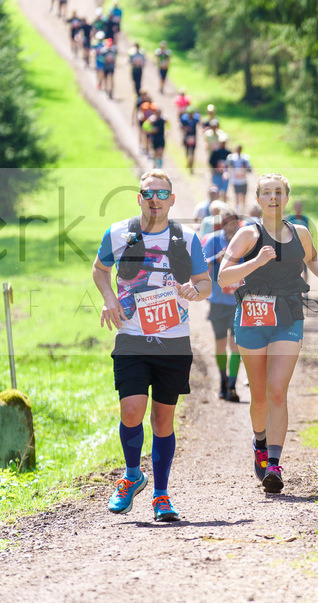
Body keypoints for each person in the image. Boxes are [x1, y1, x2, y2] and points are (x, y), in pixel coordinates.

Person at [92, 169, 210, 522]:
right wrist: (108, 297)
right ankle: (131, 475)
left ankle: (161, 495)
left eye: (162, 194)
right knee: (131, 410)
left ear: (172, 200)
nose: (154, 200)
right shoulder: (118, 233)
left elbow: (205, 284)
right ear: (139, 198)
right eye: (148, 193)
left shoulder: (187, 239)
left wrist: (195, 290)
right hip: (130, 335)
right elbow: (99, 269)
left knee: (162, 419)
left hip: (172, 341)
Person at [217, 174, 318, 494]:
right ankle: (259, 442)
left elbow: (312, 257)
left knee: (277, 390)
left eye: (278, 192)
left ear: (286, 197)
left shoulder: (301, 232)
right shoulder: (247, 234)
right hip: (252, 318)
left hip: (288, 317)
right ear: (258, 199)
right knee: (259, 395)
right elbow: (223, 275)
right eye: (266, 193)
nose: (273, 198)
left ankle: (274, 463)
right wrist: (255, 261)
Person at [203, 207, 244, 401]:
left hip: (238, 302)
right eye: (227, 222)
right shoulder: (213, 240)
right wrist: (215, 258)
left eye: (234, 222)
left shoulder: (246, 240)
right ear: (222, 223)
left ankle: (233, 385)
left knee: (236, 345)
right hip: (219, 302)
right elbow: (200, 266)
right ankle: (222, 381)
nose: (231, 226)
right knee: (220, 345)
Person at [226, 144, 252, 212]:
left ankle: (243, 208)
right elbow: (228, 167)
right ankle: (237, 209)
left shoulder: (245, 158)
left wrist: (245, 169)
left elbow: (249, 169)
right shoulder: (232, 158)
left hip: (243, 180)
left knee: (243, 195)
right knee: (236, 195)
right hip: (235, 180)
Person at [208, 131, 230, 198]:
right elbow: (211, 162)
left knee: (224, 191)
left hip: (224, 175)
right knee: (216, 191)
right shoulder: (215, 152)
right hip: (216, 174)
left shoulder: (228, 152)